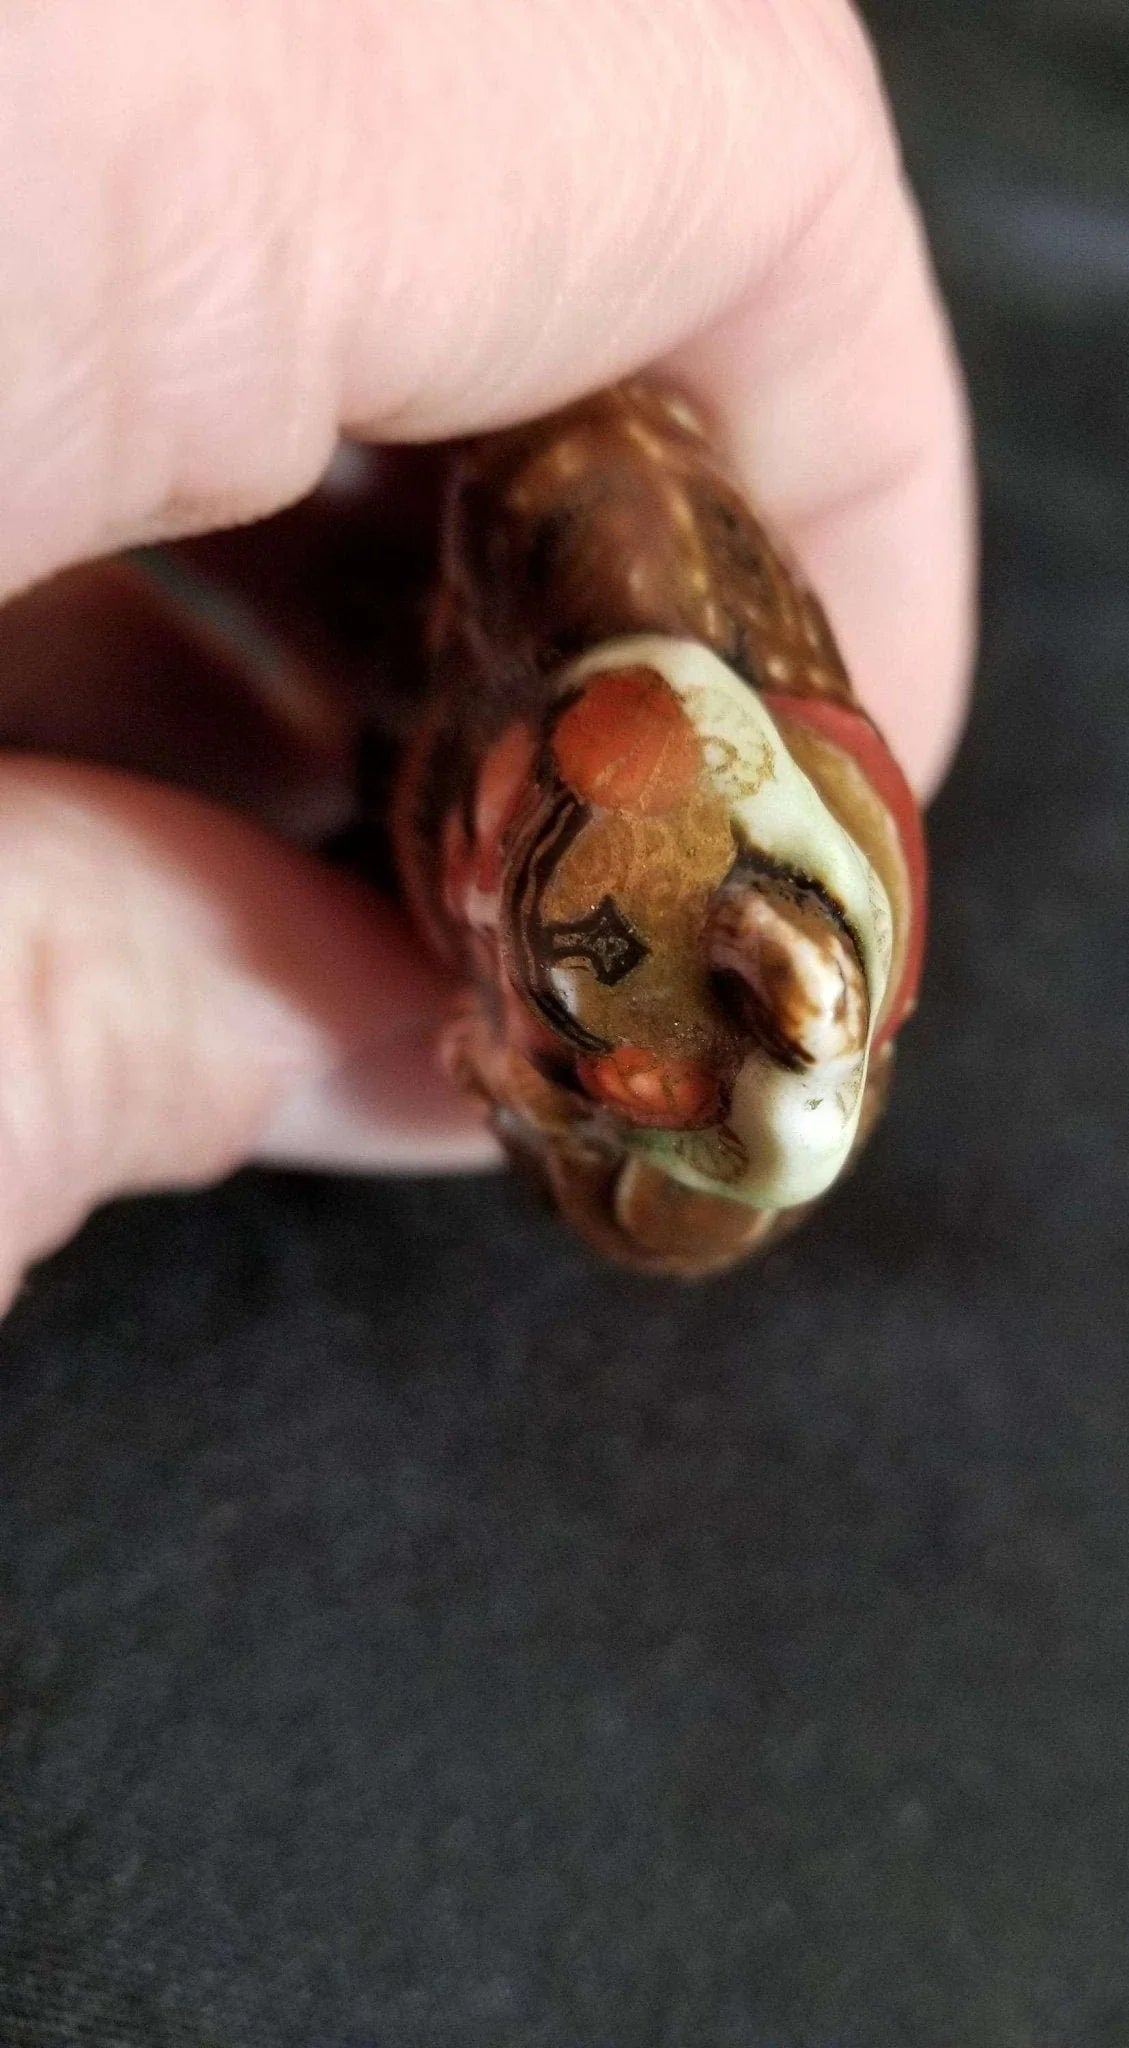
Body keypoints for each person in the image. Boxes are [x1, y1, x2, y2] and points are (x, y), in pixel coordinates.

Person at [0, 0, 974, 1315]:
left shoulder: (591, 1028)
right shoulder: (616, 553)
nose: (478, 877)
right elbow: (561, 476)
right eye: (515, 844)